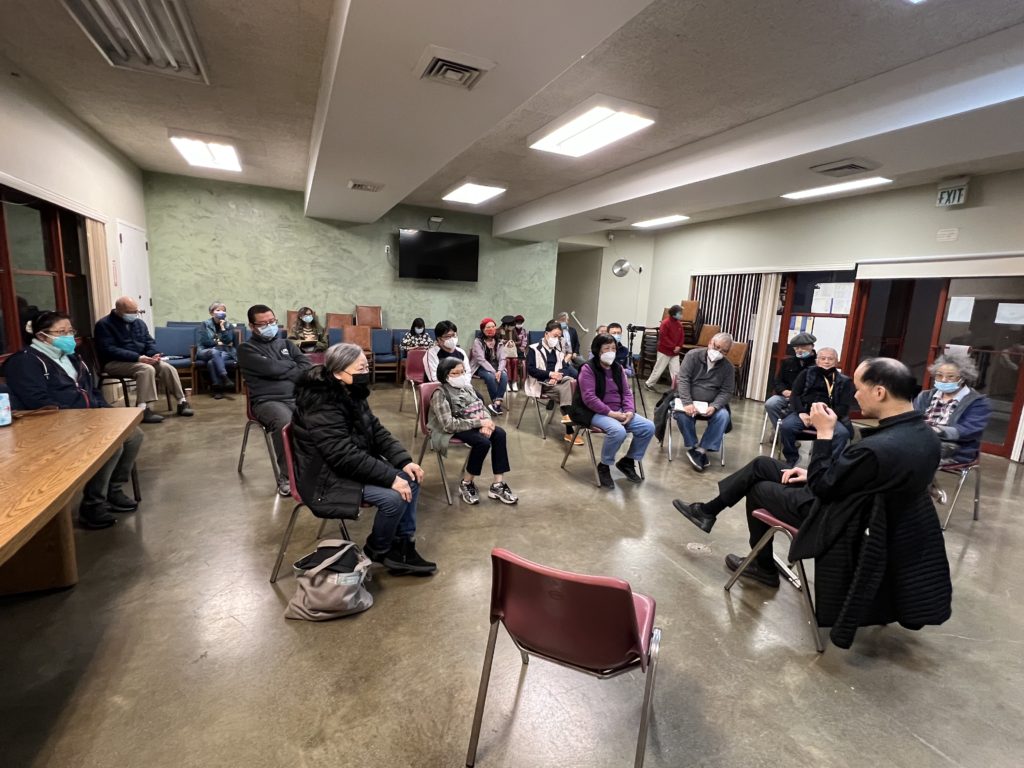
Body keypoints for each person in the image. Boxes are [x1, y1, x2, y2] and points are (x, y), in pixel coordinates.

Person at [671, 358, 953, 649]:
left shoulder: (877, 449)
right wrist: (810, 472)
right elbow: (855, 479)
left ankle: (762, 567)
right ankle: (707, 511)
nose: (854, 395)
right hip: (860, 506)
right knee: (763, 465)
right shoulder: (926, 438)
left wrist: (824, 434)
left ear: (879, 392)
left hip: (837, 518)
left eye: (858, 388)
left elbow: (823, 487)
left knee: (760, 489)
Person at [290, 343, 436, 574]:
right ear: (338, 372)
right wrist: (390, 478)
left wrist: (403, 461)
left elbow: (375, 430)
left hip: (347, 466)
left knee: (411, 477)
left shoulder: (350, 391)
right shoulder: (320, 403)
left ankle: (402, 545)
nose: (366, 373)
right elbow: (341, 454)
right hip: (326, 478)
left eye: (366, 367)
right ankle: (379, 549)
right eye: (360, 368)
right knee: (393, 499)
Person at [3, 311, 144, 529]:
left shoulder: (71, 357)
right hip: (58, 423)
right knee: (111, 445)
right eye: (61, 332)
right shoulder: (26, 362)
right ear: (41, 336)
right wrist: (81, 418)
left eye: (70, 331)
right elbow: (39, 402)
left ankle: (113, 490)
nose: (68, 336)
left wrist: (109, 413)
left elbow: (92, 390)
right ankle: (93, 504)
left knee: (134, 435)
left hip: (90, 416)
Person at [238, 304, 312, 496]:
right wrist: (290, 367)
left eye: (272, 322)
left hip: (297, 397)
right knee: (286, 424)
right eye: (263, 324)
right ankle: (287, 478)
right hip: (267, 401)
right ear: (252, 326)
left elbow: (306, 366)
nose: (269, 326)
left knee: (330, 415)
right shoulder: (246, 349)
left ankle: (322, 470)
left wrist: (281, 369)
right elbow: (271, 369)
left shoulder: (287, 344)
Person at [428, 357, 518, 505]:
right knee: (482, 443)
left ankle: (498, 485)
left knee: (500, 434)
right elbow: (448, 425)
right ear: (445, 375)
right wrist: (479, 422)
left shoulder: (467, 387)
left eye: (462, 372)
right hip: (454, 427)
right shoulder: (440, 394)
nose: (461, 375)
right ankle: (466, 483)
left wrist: (487, 423)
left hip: (474, 422)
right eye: (455, 373)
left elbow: (481, 406)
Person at [571, 333, 654, 488]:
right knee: (618, 431)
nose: (611, 352)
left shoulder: (617, 368)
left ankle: (628, 461)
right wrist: (611, 413)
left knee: (648, 427)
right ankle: (604, 465)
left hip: (619, 410)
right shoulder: (588, 369)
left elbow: (626, 392)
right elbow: (589, 398)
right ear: (598, 350)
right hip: (594, 412)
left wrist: (629, 410)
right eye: (606, 348)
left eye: (613, 348)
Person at [94, 296, 194, 422]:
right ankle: (142, 410)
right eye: (130, 312)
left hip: (140, 360)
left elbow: (149, 342)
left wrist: (154, 355)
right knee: (146, 369)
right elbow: (109, 349)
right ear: (118, 310)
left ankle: (182, 402)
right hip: (114, 362)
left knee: (166, 367)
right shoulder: (104, 325)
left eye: (136, 311)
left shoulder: (139, 323)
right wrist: (137, 357)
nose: (135, 314)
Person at [778, 347, 853, 467]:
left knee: (843, 434)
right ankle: (792, 458)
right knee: (786, 426)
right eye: (823, 358)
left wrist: (823, 418)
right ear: (817, 361)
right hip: (805, 413)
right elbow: (795, 395)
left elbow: (844, 407)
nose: (827, 361)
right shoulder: (806, 374)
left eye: (830, 359)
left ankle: (830, 465)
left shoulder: (844, 381)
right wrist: (802, 413)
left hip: (829, 417)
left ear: (836, 362)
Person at [913, 352, 991, 466]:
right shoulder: (925, 396)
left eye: (950, 377)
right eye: (939, 375)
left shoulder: (978, 403)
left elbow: (969, 430)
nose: (944, 380)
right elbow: (911, 418)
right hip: (921, 441)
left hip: (954, 449)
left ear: (963, 378)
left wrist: (939, 431)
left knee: (908, 455)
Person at [673, 332, 735, 472]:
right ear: (710, 343)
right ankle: (693, 446)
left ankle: (701, 450)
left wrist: (715, 406)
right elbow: (683, 380)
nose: (718, 352)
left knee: (723, 416)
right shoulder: (692, 356)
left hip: (710, 404)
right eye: (716, 347)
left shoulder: (728, 368)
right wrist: (687, 402)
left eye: (723, 351)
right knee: (682, 415)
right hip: (688, 400)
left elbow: (726, 391)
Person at [525, 319, 580, 444]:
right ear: (546, 334)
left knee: (570, 381)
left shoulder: (558, 349)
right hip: (541, 383)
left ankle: (569, 424)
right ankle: (570, 429)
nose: (557, 339)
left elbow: (564, 367)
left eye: (559, 336)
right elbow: (531, 370)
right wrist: (550, 375)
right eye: (555, 336)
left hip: (558, 383)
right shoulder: (534, 349)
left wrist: (558, 376)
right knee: (568, 389)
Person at [764, 332, 816, 426]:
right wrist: (783, 391)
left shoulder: (817, 365)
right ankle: (779, 430)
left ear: (812, 346)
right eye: (796, 347)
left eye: (803, 347)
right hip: (786, 395)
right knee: (771, 404)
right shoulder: (788, 362)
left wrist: (797, 395)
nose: (799, 350)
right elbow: (778, 381)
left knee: (795, 409)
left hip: (805, 399)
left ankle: (790, 431)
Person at [196, 301, 238, 399]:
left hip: (225, 351)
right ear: (211, 313)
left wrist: (223, 328)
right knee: (214, 352)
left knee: (211, 362)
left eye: (223, 311)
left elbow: (229, 341)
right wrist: (218, 343)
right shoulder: (205, 324)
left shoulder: (228, 325)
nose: (221, 312)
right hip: (206, 350)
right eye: (218, 310)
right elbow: (205, 341)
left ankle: (217, 389)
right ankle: (224, 377)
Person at [470, 317, 508, 415]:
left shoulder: (499, 341)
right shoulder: (477, 342)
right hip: (481, 366)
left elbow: (503, 358)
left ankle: (497, 403)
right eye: (488, 327)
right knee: (490, 376)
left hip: (496, 366)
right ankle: (496, 403)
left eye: (493, 327)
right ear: (483, 329)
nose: (491, 329)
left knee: (504, 375)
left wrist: (499, 370)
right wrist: (494, 372)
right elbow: (481, 360)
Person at [644, 304, 685, 390]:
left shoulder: (679, 324)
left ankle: (676, 388)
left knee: (676, 371)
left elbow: (682, 337)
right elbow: (663, 337)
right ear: (674, 314)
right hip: (664, 351)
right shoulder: (665, 323)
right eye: (680, 313)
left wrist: (679, 346)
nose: (682, 315)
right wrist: (673, 347)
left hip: (675, 352)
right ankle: (648, 384)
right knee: (658, 370)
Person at [498, 315, 523, 392]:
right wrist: (505, 342)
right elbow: (497, 341)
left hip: (512, 353)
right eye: (511, 326)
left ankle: (514, 382)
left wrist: (513, 343)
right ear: (506, 325)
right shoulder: (499, 331)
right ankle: (507, 382)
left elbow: (519, 341)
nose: (512, 327)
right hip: (502, 353)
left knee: (515, 361)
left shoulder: (514, 331)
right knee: (507, 361)